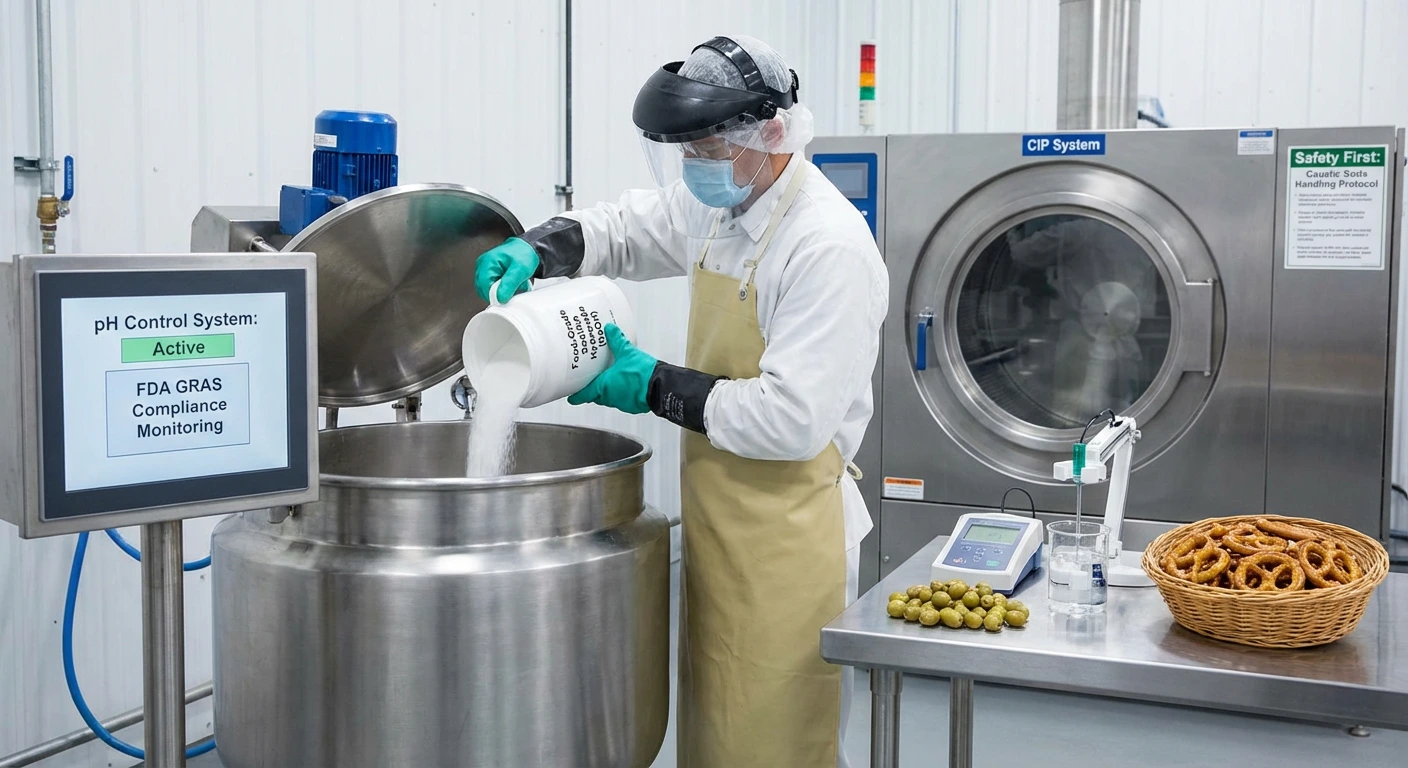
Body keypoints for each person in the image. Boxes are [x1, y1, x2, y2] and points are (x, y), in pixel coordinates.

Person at [474, 35, 887, 767]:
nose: (694, 168)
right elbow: (632, 229)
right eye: (684, 154)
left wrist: (653, 385)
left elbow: (789, 419)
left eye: (704, 151)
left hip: (788, 539)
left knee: (774, 736)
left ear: (768, 135)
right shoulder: (727, 204)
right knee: (715, 729)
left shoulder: (827, 246)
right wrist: (545, 247)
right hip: (720, 522)